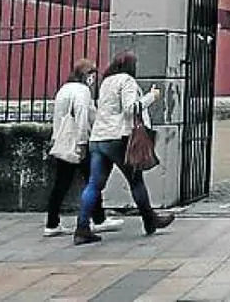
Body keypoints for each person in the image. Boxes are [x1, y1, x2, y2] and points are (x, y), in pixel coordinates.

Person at [74, 51, 174, 245]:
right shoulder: (126, 80)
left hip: (98, 138)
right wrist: (151, 97)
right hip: (116, 138)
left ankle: (82, 227)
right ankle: (149, 219)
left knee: (94, 184)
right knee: (135, 180)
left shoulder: (106, 81)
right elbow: (131, 108)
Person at [44, 58, 124, 237]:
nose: (94, 79)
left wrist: (56, 137)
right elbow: (81, 116)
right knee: (93, 181)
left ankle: (52, 222)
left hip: (63, 142)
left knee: (61, 184)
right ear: (87, 75)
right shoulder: (82, 92)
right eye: (93, 74)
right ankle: (98, 219)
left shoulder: (64, 90)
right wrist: (82, 142)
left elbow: (59, 118)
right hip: (79, 143)